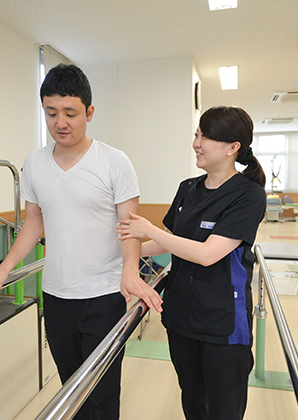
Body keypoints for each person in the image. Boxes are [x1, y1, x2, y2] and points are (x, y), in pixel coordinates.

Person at [0, 63, 163, 419]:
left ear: (89, 112)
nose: (60, 122)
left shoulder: (114, 162)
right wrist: (4, 268)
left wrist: (131, 271)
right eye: (51, 113)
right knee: (70, 390)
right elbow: (33, 223)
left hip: (104, 295)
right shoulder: (35, 163)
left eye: (70, 113)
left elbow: (129, 226)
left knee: (102, 394)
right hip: (57, 295)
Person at [117, 106, 266, 420]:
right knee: (193, 402)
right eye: (197, 134)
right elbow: (170, 241)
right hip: (182, 316)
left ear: (232, 147)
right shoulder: (188, 189)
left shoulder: (248, 195)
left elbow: (207, 254)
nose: (197, 143)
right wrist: (128, 250)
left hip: (223, 323)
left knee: (224, 410)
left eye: (206, 137)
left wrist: (149, 230)